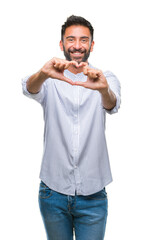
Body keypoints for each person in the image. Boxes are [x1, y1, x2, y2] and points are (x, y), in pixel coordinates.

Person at [22, 15, 121, 240]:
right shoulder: (48, 78)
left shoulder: (106, 78)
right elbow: (29, 88)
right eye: (71, 39)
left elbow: (112, 105)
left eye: (83, 40)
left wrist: (102, 90)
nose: (77, 46)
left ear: (92, 45)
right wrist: (43, 73)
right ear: (62, 44)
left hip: (93, 196)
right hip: (52, 193)